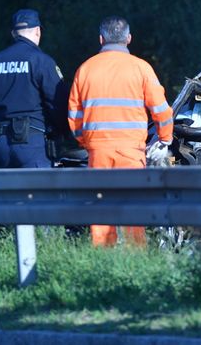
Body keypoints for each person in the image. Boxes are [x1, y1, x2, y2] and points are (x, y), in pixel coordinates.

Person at [67, 16, 173, 247]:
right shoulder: (141, 68)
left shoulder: (85, 69)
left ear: (101, 39)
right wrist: (165, 138)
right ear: (129, 38)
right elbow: (161, 110)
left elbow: (74, 116)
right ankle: (136, 260)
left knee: (101, 210)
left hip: (98, 151)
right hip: (131, 151)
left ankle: (104, 259)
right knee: (134, 208)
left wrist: (87, 142)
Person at [0, 9, 67, 169]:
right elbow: (59, 104)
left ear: (13, 33)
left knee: (3, 193)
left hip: (1, 144)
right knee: (39, 193)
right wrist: (58, 131)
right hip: (34, 143)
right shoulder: (41, 61)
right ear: (38, 31)